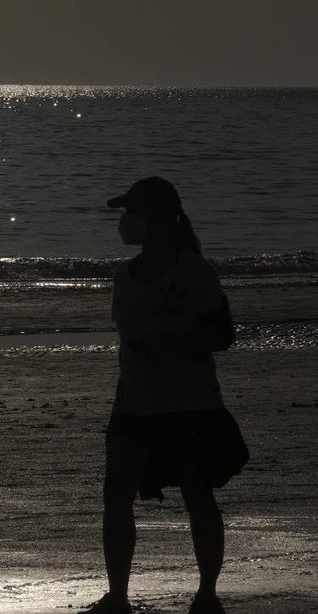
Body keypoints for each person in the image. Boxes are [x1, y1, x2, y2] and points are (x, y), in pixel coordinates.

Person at [85, 177, 247, 614]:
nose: (125, 223)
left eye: (131, 213)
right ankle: (118, 596)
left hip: (190, 404)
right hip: (134, 404)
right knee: (116, 496)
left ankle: (207, 594)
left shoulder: (195, 272)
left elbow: (223, 334)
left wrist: (171, 344)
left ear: (155, 218)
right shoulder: (126, 276)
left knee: (198, 495)